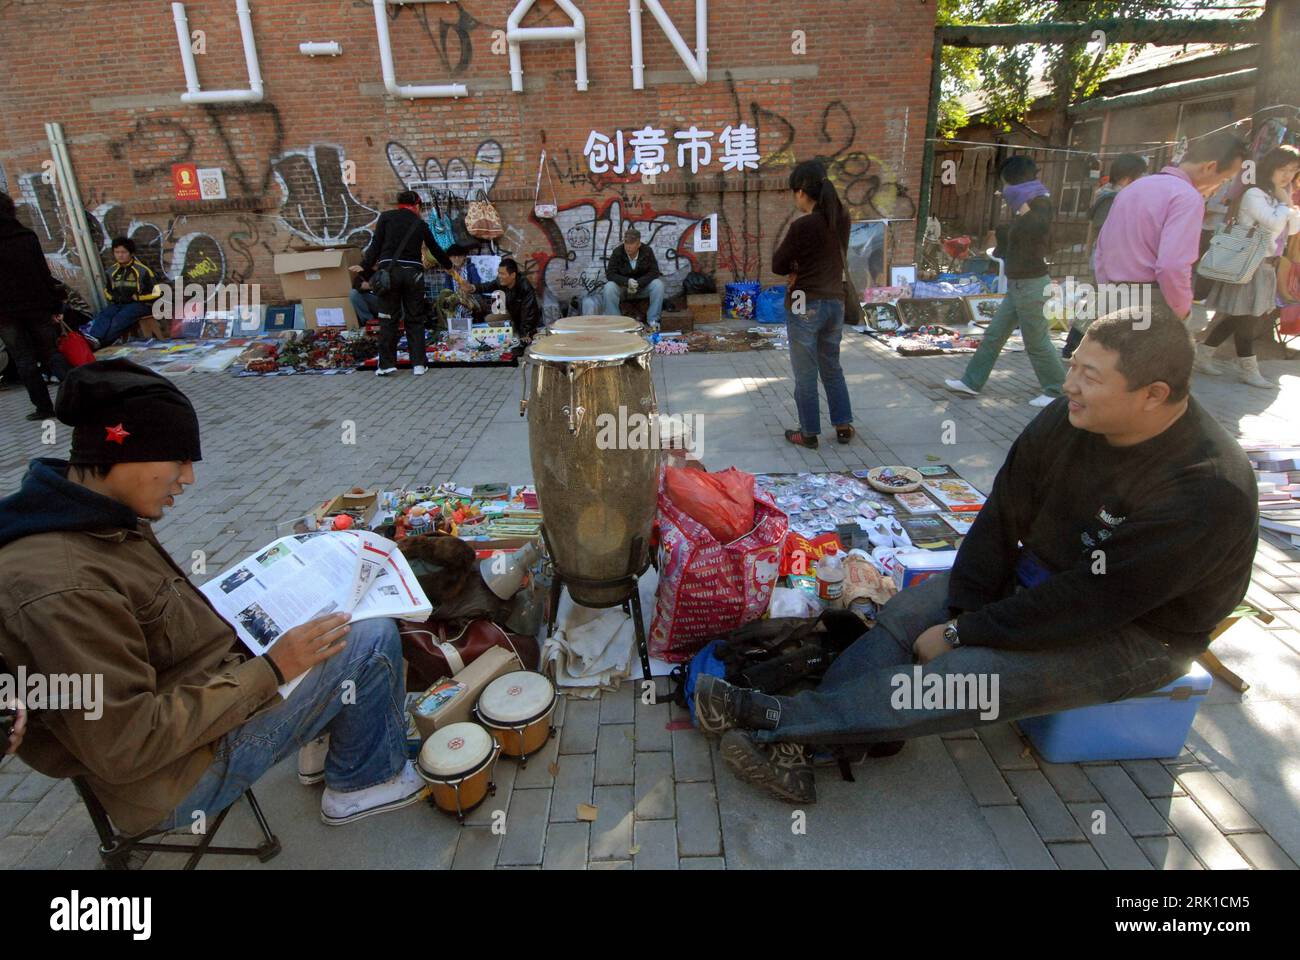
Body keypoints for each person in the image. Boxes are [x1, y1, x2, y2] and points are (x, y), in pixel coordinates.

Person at [695, 315, 1258, 803]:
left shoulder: (1205, 489)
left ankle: (774, 720)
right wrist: (961, 610)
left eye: (1091, 376)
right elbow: (1002, 517)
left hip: (1133, 633)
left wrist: (964, 635)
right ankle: (825, 745)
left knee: (959, 680)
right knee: (906, 617)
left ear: (1153, 395)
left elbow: (1090, 603)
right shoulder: (1072, 417)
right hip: (1040, 580)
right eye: (1075, 365)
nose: (1070, 385)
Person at [0, 360, 426, 833]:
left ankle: (328, 742)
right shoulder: (63, 585)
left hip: (199, 698)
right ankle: (364, 782)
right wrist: (271, 669)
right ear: (121, 452)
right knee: (369, 638)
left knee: (330, 613)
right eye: (177, 460)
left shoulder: (94, 515)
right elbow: (128, 745)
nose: (188, 479)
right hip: (174, 783)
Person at [1093, 130, 1248, 328]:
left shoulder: (1134, 187)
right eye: (1224, 180)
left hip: (1111, 297)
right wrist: (1182, 311)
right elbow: (1172, 265)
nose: (1219, 188)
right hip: (1151, 303)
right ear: (1210, 167)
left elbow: (1101, 249)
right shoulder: (1187, 198)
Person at [945, 156, 1066, 408]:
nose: (1004, 190)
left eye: (1006, 183)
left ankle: (1057, 391)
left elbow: (1038, 233)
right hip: (1019, 284)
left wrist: (1023, 212)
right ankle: (972, 381)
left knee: (1036, 341)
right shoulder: (1026, 202)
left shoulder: (1039, 202)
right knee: (994, 335)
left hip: (1032, 283)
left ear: (1016, 179)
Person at [1196, 144, 1300, 389]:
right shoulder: (1255, 194)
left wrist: (1286, 203)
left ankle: (1203, 353)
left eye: (1293, 171)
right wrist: (1286, 203)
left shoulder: (1276, 197)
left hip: (1264, 265)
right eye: (1283, 169)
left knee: (1240, 316)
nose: (1287, 176)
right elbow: (1273, 224)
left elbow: (1293, 229)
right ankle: (1248, 369)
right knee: (1247, 319)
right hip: (1247, 264)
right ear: (1270, 168)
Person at [771, 160, 855, 450]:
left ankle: (808, 433)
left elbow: (777, 264)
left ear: (802, 192)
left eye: (794, 191)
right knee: (832, 365)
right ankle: (843, 425)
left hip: (802, 301)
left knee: (805, 371)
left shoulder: (803, 225)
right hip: (835, 301)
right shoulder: (841, 217)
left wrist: (796, 266)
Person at [1062, 153, 1150, 358]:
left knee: (1099, 305)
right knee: (1100, 305)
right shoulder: (1111, 198)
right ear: (1127, 178)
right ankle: (1076, 347)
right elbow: (1105, 232)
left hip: (1111, 261)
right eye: (1141, 175)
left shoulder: (1116, 195)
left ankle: (1075, 346)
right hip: (1108, 262)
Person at [357, 190, 453, 378]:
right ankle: (418, 364)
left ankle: (386, 365)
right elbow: (435, 249)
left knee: (387, 319)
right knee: (415, 319)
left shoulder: (386, 218)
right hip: (413, 275)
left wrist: (365, 269)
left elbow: (375, 247)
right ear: (417, 205)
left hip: (389, 274)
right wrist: (449, 266)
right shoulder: (420, 223)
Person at [0, 191, 60, 420]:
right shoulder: (26, 236)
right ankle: (80, 396)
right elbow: (44, 273)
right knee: (52, 353)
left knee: (24, 359)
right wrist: (56, 306)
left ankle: (44, 407)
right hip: (38, 306)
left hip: (5, 313)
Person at [83, 237, 162, 350]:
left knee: (119, 320)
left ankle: (100, 345)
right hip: (118, 304)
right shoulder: (112, 271)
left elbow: (157, 292)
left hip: (141, 305)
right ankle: (94, 338)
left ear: (131, 253)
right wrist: (113, 297)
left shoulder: (142, 270)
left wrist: (138, 297)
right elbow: (107, 291)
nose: (120, 255)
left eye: (123, 252)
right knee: (105, 315)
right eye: (117, 252)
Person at [464, 258, 542, 344]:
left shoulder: (525, 288)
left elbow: (528, 315)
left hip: (525, 320)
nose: (499, 276)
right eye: (499, 273)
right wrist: (472, 288)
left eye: (502, 274)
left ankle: (515, 331)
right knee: (489, 319)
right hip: (512, 314)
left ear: (513, 275)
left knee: (521, 339)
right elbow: (488, 286)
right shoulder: (501, 281)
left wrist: (525, 334)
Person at [602, 229, 666, 330]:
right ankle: (616, 323)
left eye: (632, 243)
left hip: (641, 288)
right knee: (609, 287)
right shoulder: (618, 252)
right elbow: (610, 274)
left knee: (658, 285)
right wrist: (626, 282)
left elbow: (654, 272)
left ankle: (653, 321)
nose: (628, 246)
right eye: (626, 243)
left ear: (639, 244)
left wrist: (638, 283)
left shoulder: (647, 251)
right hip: (623, 289)